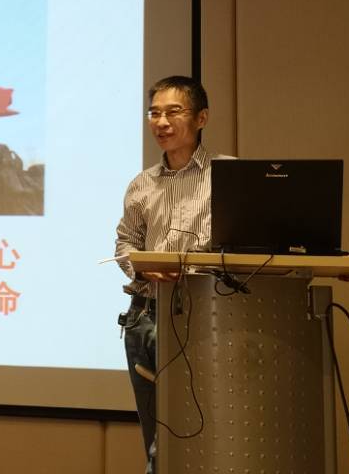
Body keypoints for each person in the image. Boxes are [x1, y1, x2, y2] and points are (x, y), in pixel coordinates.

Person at [114, 75, 213, 474]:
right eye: (154, 113)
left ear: (201, 118)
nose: (161, 122)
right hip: (146, 317)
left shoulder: (225, 176)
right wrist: (141, 264)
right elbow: (125, 244)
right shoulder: (142, 184)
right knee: (158, 447)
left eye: (173, 112)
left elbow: (244, 245)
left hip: (207, 317)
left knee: (212, 435)